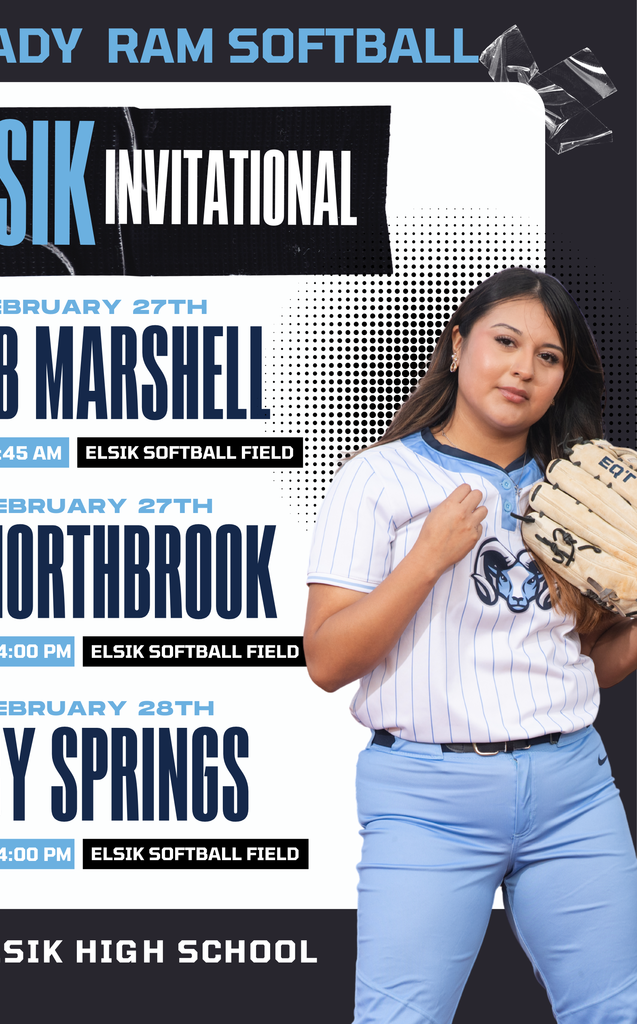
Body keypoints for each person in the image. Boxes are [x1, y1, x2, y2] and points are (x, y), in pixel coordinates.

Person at [304, 268, 637, 1024]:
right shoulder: (378, 478)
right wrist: (425, 557)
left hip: (571, 790)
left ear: (560, 382)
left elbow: (593, 667)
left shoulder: (579, 490)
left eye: (548, 357)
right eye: (505, 341)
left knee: (614, 1013)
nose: (522, 368)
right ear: (457, 347)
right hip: (427, 799)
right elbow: (326, 662)